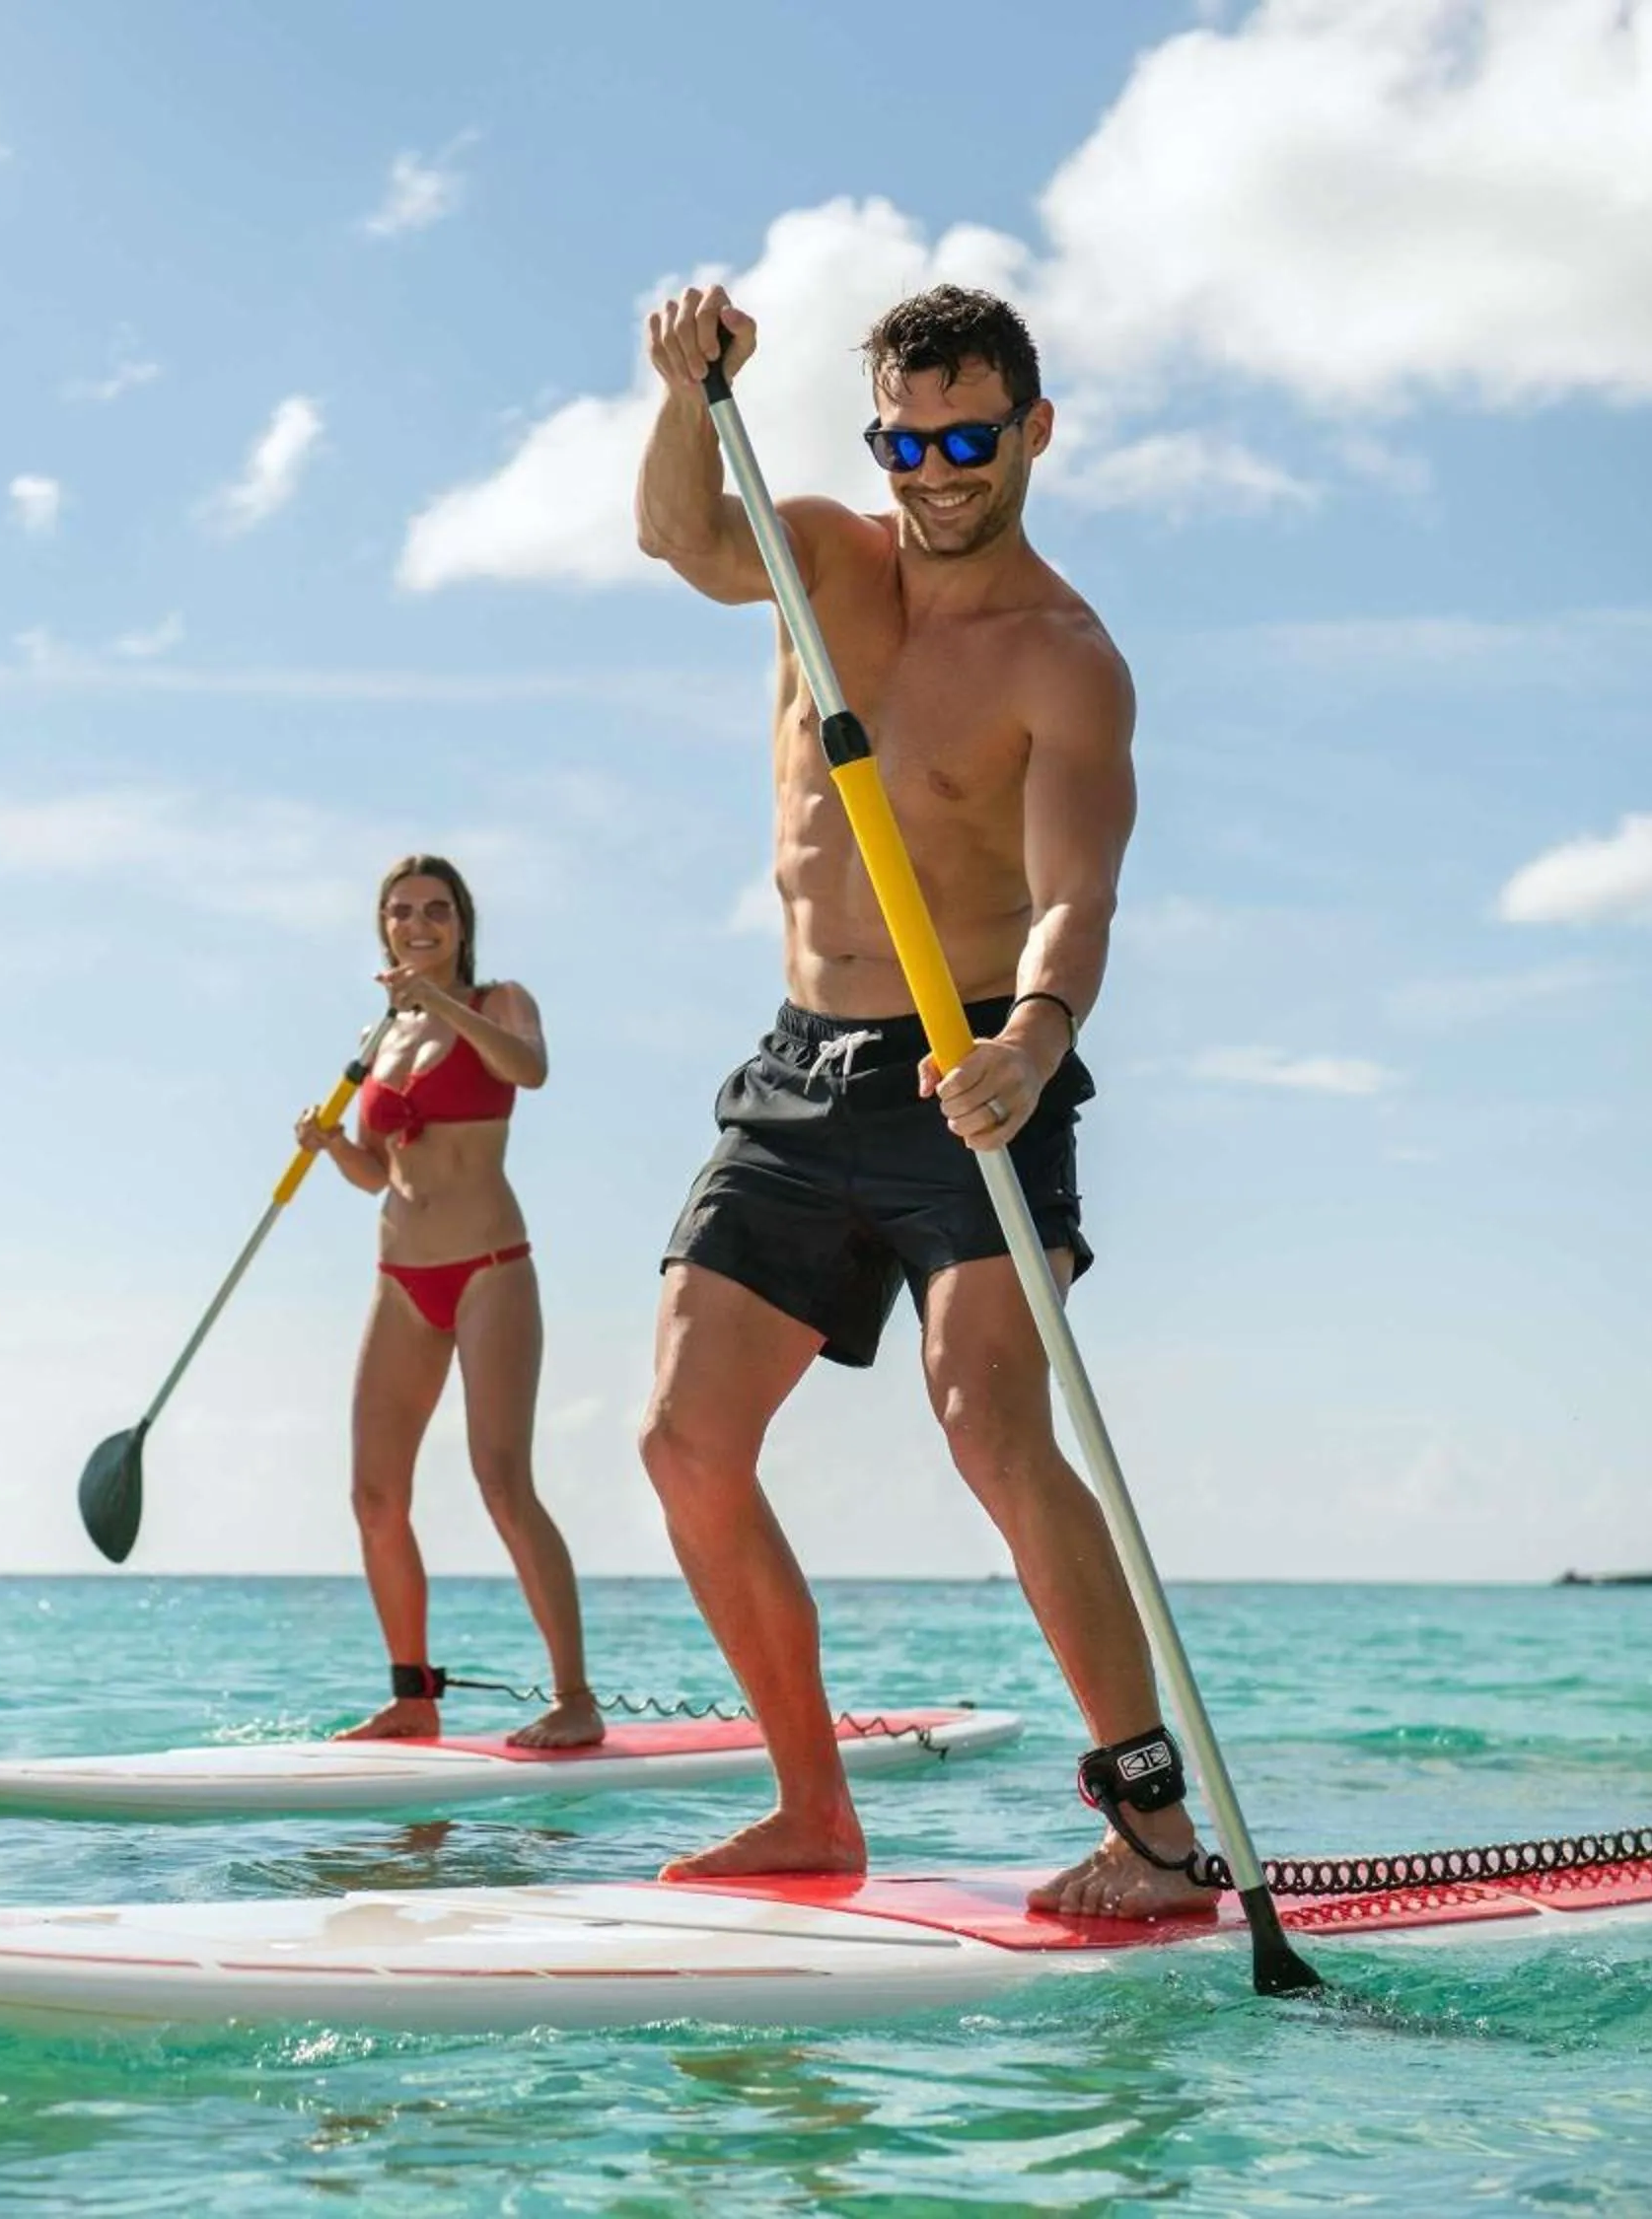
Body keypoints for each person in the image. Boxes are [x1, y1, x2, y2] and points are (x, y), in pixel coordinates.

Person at [633, 281, 1212, 1917]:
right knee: (685, 1439)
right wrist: (688, 389)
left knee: (990, 1420)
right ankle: (814, 1810)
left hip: (977, 1062)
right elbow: (681, 538)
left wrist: (1033, 1039)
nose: (937, 471)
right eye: (907, 439)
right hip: (801, 1071)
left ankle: (1155, 1832)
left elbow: (1076, 890)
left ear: (1031, 430)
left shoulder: (1065, 660)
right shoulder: (819, 565)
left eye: (970, 437)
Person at [295, 855, 603, 1749]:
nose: (417, 924)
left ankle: (575, 1699)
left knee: (504, 1481)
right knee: (373, 1493)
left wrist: (443, 1004)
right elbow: (378, 1173)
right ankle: (412, 1695)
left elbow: (530, 1071)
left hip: (489, 1268)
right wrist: (328, 1148)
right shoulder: (379, 1034)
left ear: (462, 924)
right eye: (400, 912)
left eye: (436, 910)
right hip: (401, 1277)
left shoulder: (500, 1000)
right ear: (382, 927)